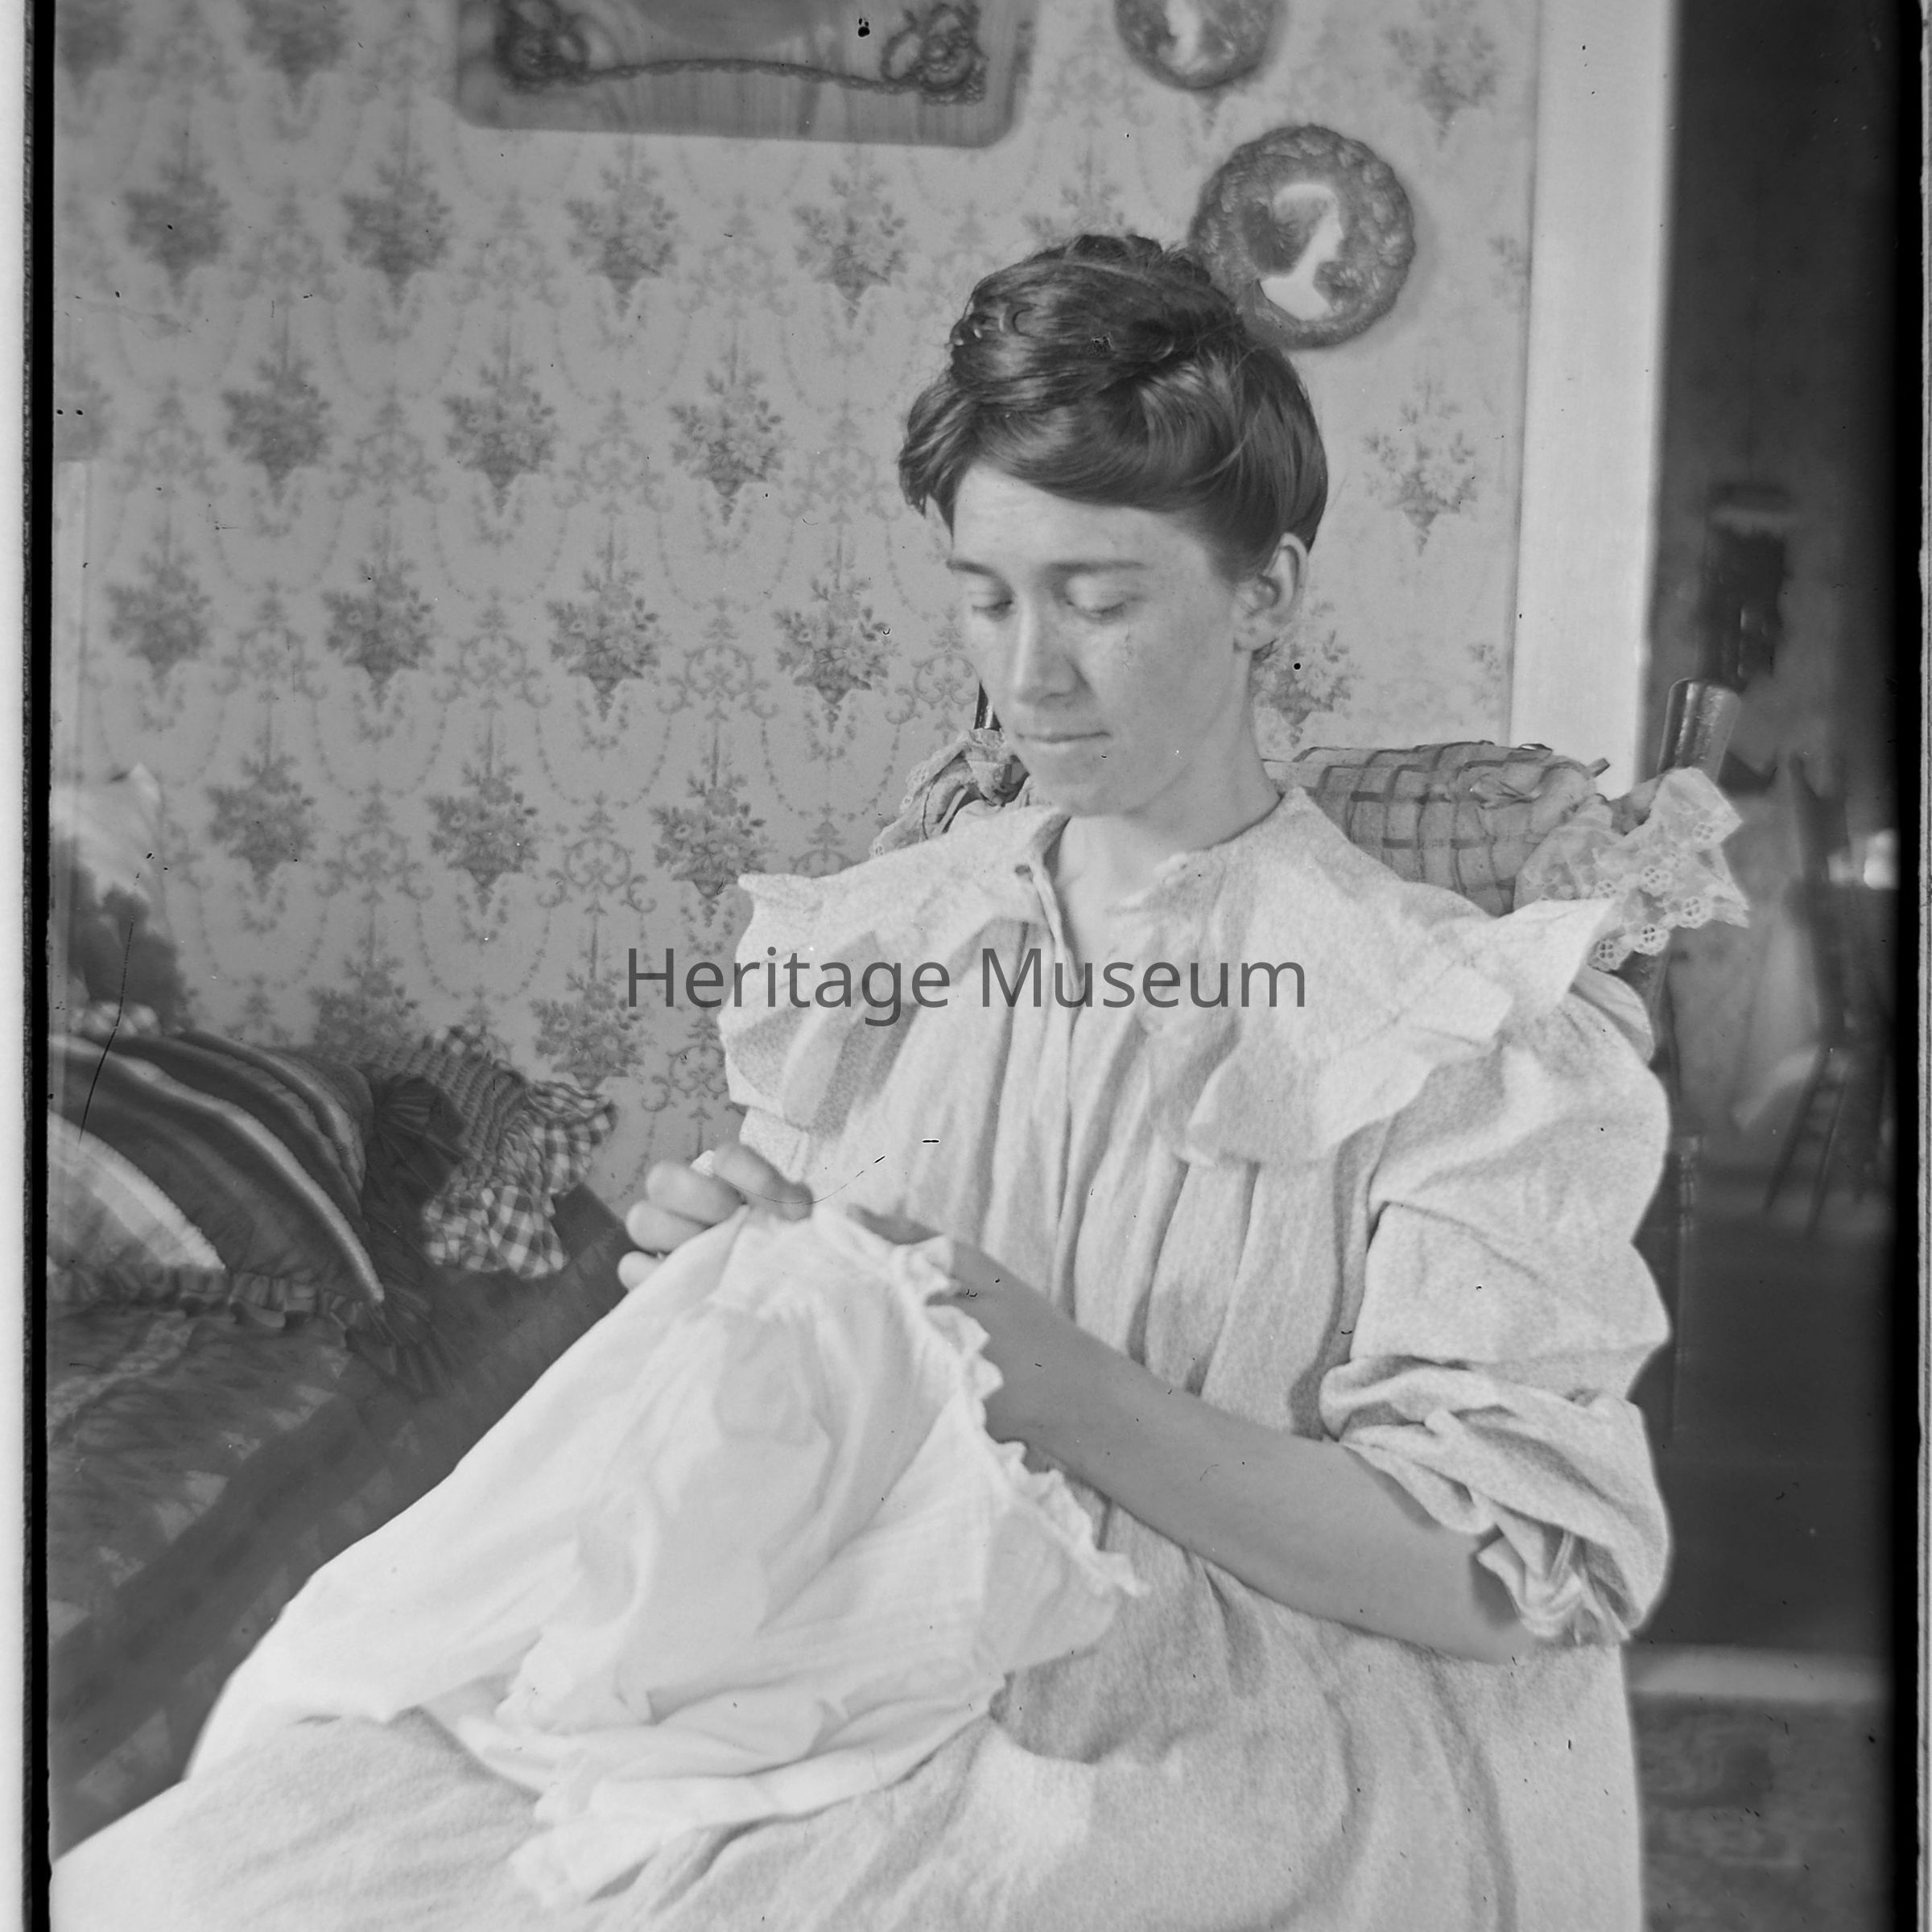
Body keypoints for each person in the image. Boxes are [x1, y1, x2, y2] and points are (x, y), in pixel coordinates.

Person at [52, 236, 1670, 1930]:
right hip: (849, 1629)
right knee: (207, 1876)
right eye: (987, 596)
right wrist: (755, 1279)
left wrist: (1046, 1378)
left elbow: (1499, 1583)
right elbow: (842, 1358)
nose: (1027, 676)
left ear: (1265, 595)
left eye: (1099, 599)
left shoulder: (1460, 1028)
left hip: (1242, 1710)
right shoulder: (889, 939)